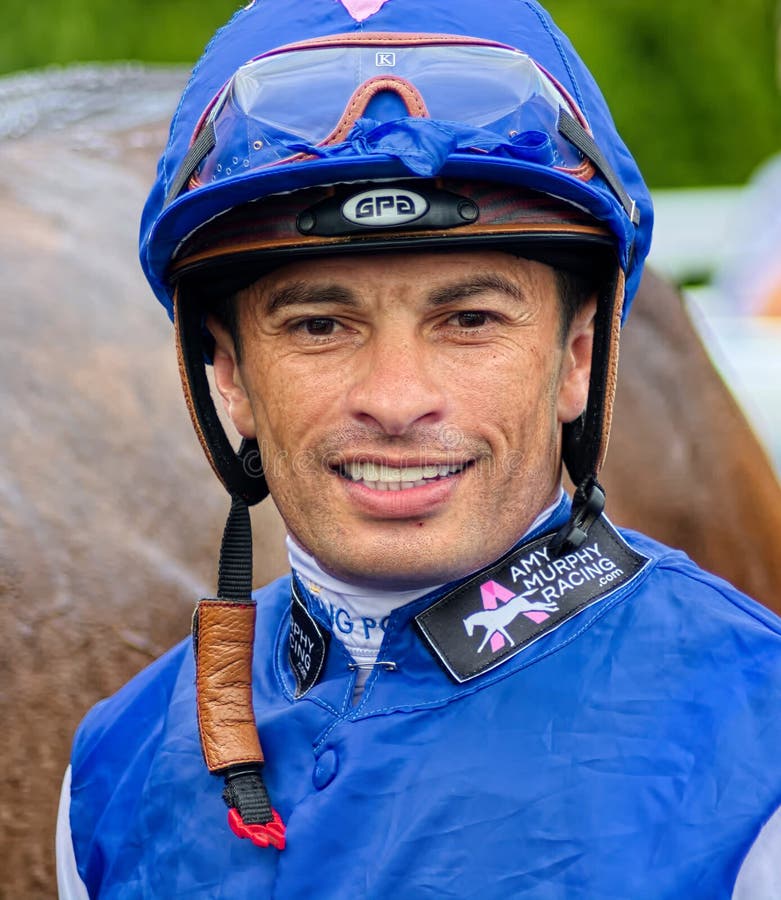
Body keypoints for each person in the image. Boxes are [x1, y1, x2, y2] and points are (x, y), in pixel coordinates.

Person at [57, 1, 781, 897]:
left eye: (469, 320)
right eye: (320, 325)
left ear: (576, 359)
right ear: (231, 375)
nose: (395, 400)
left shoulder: (761, 748)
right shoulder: (108, 773)